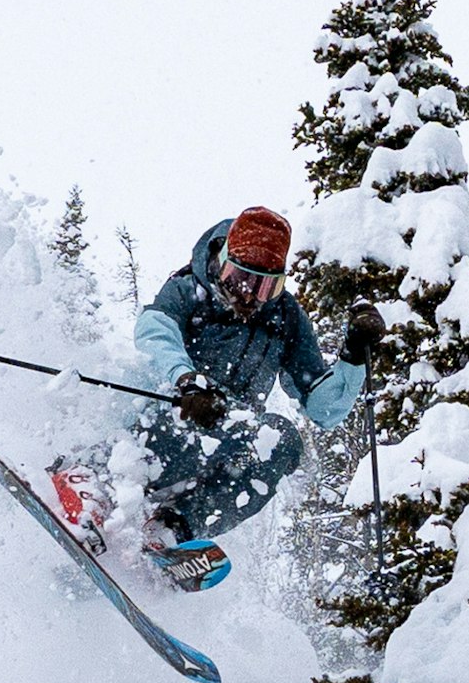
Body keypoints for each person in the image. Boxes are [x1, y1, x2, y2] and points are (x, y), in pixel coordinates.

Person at [121, 206, 384, 545]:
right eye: (241, 279)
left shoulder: (285, 318)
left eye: (264, 288)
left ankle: (173, 528)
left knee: (281, 442)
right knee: (180, 416)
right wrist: (186, 381)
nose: (248, 295)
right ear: (223, 262)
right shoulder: (190, 289)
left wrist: (352, 355)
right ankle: (97, 482)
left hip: (224, 438)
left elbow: (325, 410)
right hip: (166, 418)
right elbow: (154, 331)